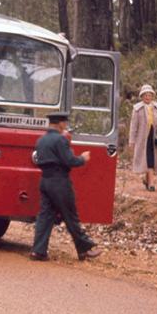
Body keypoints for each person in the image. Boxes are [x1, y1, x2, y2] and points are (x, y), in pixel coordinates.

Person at [30, 111, 102, 262]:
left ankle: (38, 251)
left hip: (45, 180)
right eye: (65, 122)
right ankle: (85, 248)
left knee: (45, 216)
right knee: (70, 216)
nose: (66, 125)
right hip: (60, 182)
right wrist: (82, 158)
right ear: (60, 123)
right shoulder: (60, 140)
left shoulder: (41, 140)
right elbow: (70, 161)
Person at [128, 84, 157, 191]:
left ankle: (148, 181)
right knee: (147, 158)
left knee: (152, 158)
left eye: (149, 95)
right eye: (145, 95)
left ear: (152, 96)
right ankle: (151, 183)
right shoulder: (137, 108)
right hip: (143, 138)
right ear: (142, 96)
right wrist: (132, 141)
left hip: (155, 136)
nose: (147, 97)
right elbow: (134, 126)